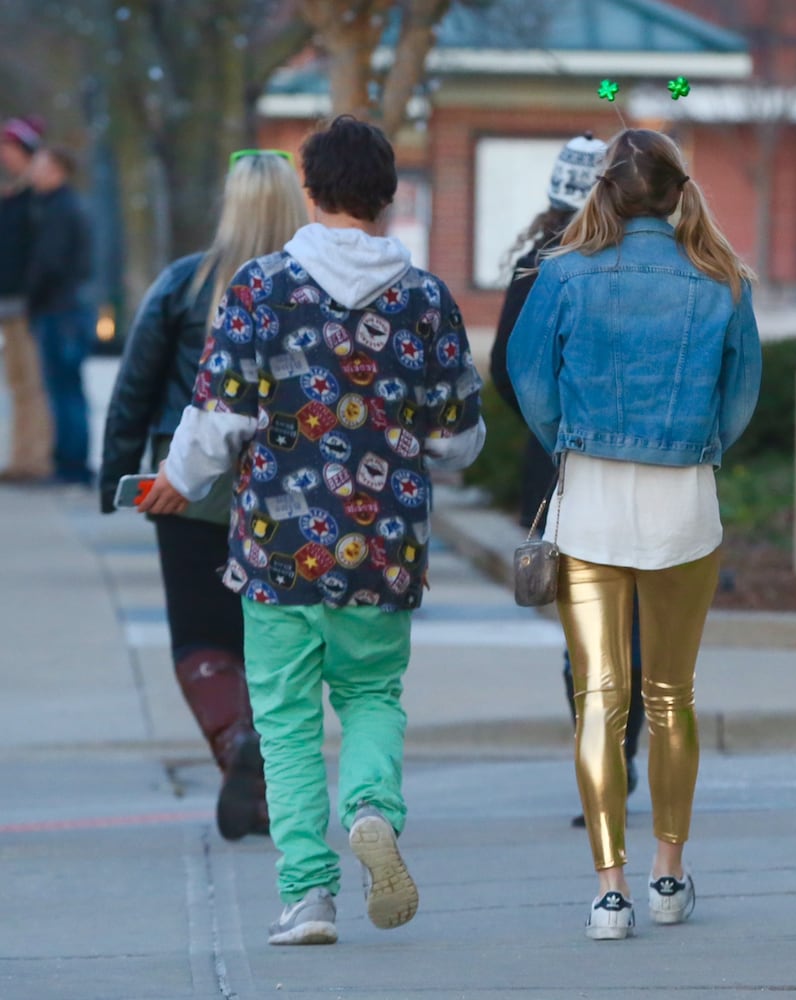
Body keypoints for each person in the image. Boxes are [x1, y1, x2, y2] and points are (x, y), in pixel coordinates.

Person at [140, 115, 486, 946]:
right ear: (388, 195)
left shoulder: (260, 288)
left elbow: (217, 418)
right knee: (371, 693)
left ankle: (308, 894)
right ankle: (371, 804)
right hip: (387, 549)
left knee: (287, 717)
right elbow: (458, 440)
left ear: (311, 188)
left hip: (277, 549)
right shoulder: (426, 298)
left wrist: (173, 484)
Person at [508, 128, 761, 940]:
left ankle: (609, 892)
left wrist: (568, 441)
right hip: (685, 501)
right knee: (672, 697)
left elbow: (526, 374)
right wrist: (702, 445)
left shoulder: (563, 272)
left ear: (606, 192)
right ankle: (668, 873)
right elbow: (742, 391)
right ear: (679, 190)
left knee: (599, 701)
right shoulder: (722, 279)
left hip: (591, 500)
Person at [100, 150, 310, 841]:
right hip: (292, 488)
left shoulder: (185, 285)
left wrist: (116, 473)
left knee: (200, 639)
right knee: (276, 642)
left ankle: (234, 749)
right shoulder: (314, 287)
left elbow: (136, 383)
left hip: (187, 485)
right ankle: (273, 784)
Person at [488, 132, 645, 827]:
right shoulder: (637, 263)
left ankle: (600, 750)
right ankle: (625, 749)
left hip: (560, 471)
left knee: (582, 629)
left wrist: (554, 425)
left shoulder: (540, 265)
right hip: (647, 464)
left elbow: (505, 368)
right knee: (636, 622)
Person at [27, 144, 94, 485]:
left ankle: (72, 466)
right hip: (66, 309)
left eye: (39, 165)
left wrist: (32, 299)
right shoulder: (63, 206)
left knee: (65, 390)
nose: (33, 172)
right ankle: (70, 463)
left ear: (57, 170)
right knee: (67, 389)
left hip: (60, 311)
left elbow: (49, 264)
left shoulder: (60, 209)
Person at [0, 114, 53, 483]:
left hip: (29, 303)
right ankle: (22, 456)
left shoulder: (36, 199)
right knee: (19, 383)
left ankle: (35, 458)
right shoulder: (18, 195)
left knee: (33, 384)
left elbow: (43, 254)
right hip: (13, 301)